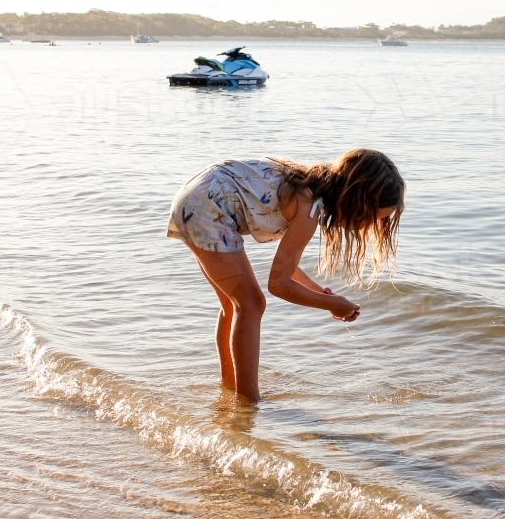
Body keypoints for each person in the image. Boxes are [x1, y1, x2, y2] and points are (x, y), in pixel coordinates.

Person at [167, 149, 405, 402]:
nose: (366, 227)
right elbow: (279, 285)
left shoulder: (305, 188)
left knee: (233, 304)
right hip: (208, 206)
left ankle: (230, 386)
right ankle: (248, 401)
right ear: (357, 200)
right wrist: (332, 305)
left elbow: (285, 266)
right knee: (251, 305)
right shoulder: (309, 209)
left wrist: (321, 292)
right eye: (369, 218)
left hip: (197, 199)